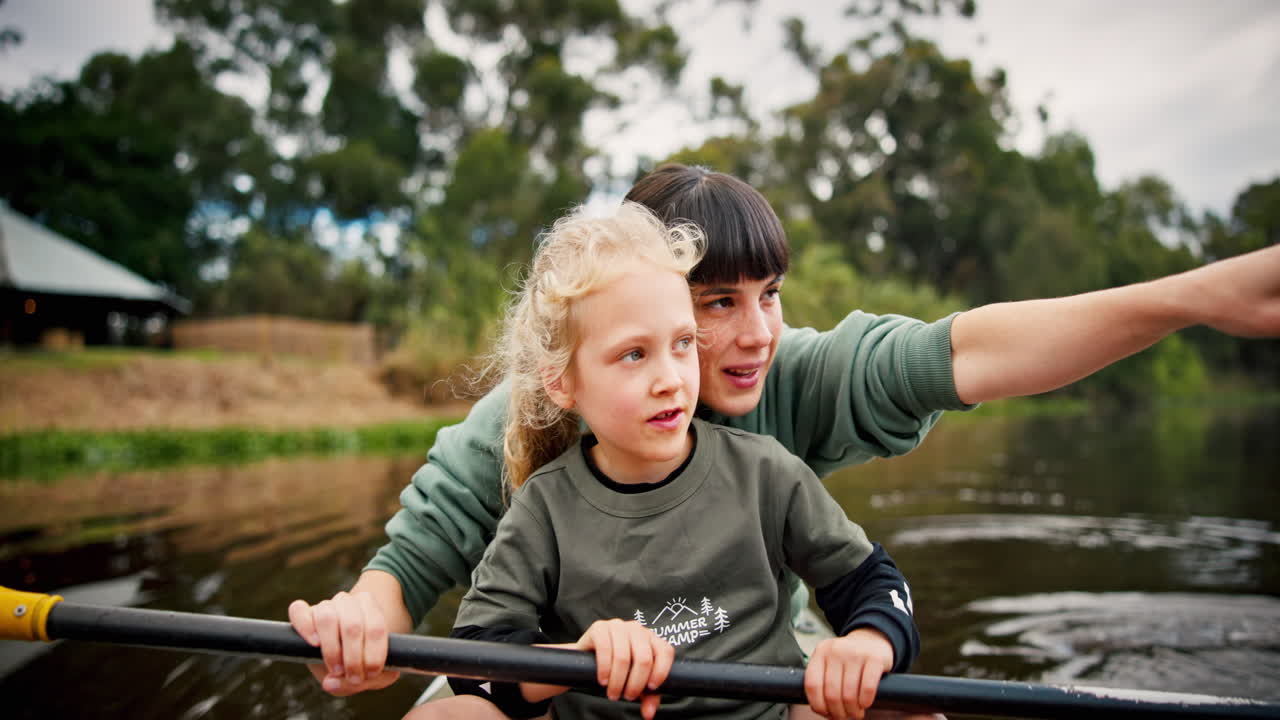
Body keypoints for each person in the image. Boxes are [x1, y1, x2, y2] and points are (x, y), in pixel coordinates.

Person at [288, 163, 1280, 699]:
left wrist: (1196, 296)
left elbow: (968, 353)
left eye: (768, 294)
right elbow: (404, 581)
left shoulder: (781, 376)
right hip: (564, 679)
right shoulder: (519, 427)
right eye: (716, 301)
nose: (756, 333)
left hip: (742, 663)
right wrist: (363, 629)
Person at [411, 202, 918, 720]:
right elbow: (475, 656)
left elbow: (873, 584)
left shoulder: (768, 472)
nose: (671, 378)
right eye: (634, 354)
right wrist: (577, 658)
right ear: (561, 382)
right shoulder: (544, 508)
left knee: (908, 712)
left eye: (681, 344)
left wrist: (869, 643)